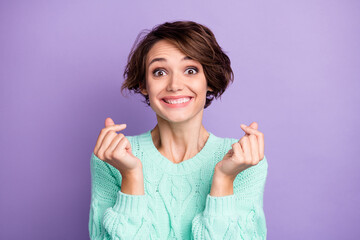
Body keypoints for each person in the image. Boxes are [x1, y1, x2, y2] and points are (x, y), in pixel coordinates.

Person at [88, 20, 268, 239]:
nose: (174, 85)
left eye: (190, 70)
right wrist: (131, 176)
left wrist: (224, 179)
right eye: (160, 72)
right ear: (144, 85)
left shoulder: (244, 161)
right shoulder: (112, 158)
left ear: (209, 80)